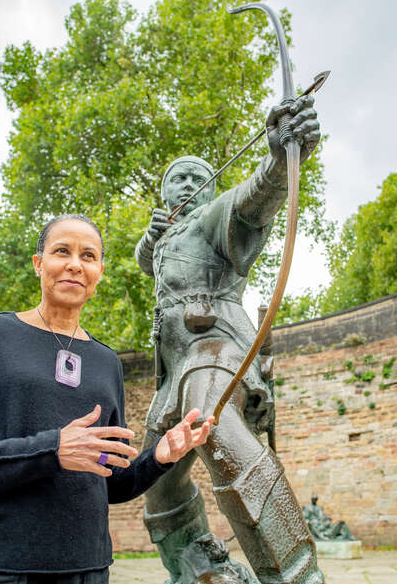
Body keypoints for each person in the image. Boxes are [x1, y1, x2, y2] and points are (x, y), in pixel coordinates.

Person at [0, 214, 214, 584]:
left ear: (99, 272)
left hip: (85, 572)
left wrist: (159, 457)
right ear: (39, 264)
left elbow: (109, 481)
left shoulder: (106, 362)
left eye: (88, 256)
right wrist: (51, 449)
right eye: (61, 251)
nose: (74, 264)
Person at [134, 95, 324, 584]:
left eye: (200, 179)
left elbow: (255, 198)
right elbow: (150, 262)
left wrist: (283, 154)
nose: (190, 185)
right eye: (178, 178)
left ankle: (296, 574)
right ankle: (199, 567)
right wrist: (151, 241)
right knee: (158, 479)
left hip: (215, 351)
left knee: (211, 425)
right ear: (163, 193)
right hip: (174, 368)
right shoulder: (165, 238)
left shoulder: (215, 216)